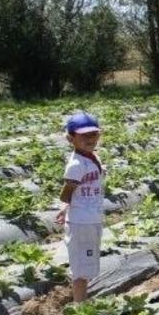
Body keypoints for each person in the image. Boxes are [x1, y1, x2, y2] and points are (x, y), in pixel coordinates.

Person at [56, 112, 105, 303]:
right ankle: (80, 308)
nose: (90, 139)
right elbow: (67, 191)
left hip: (92, 218)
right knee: (81, 269)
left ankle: (82, 304)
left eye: (94, 134)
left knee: (87, 264)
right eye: (84, 135)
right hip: (81, 222)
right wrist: (63, 208)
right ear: (71, 138)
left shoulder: (91, 157)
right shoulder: (76, 164)